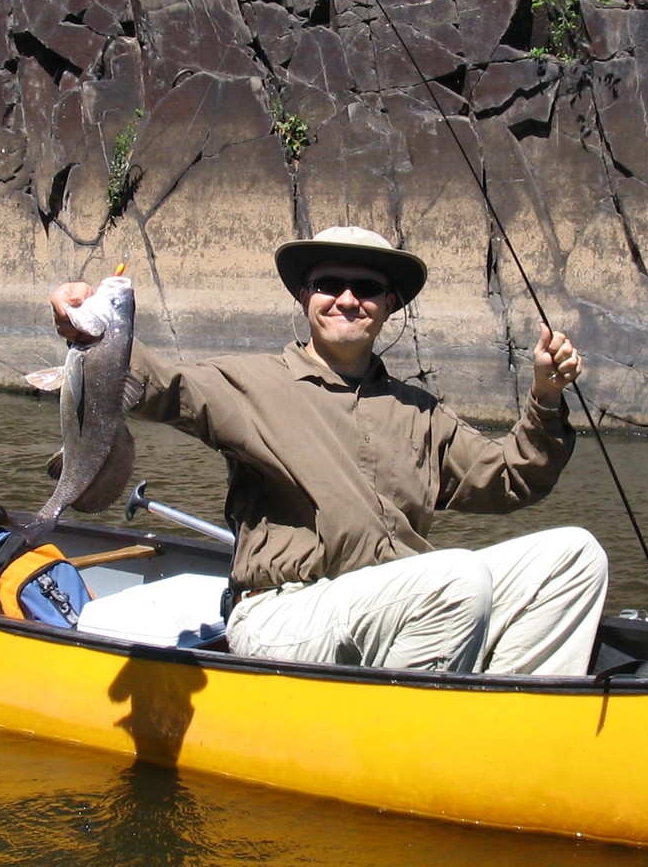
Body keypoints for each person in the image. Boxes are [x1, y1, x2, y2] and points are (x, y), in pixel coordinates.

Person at [50, 226, 609, 676]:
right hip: (284, 616)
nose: (347, 299)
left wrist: (545, 396)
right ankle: (415, 739)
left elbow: (512, 478)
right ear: (304, 298)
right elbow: (160, 386)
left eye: (365, 288)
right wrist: (89, 332)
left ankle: (512, 726)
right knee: (456, 578)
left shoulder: (421, 411)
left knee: (575, 556)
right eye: (328, 284)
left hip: (402, 605)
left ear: (389, 305)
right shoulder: (250, 384)